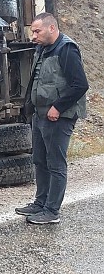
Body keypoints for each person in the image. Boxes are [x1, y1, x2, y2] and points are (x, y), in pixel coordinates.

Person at [16, 13, 88, 225]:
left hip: (59, 116)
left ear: (52, 28)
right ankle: (40, 203)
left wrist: (58, 106)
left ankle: (52, 211)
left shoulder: (67, 49)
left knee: (56, 163)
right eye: (33, 32)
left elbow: (80, 84)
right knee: (40, 159)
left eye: (37, 31)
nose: (33, 36)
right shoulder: (43, 48)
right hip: (40, 114)